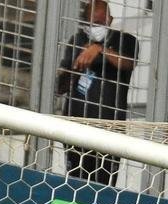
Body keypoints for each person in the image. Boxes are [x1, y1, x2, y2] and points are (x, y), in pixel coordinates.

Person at [57, 0, 137, 186]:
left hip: (110, 129)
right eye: (92, 23)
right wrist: (75, 66)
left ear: (110, 20)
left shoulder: (125, 40)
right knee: (76, 184)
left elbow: (127, 63)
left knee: (104, 186)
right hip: (76, 126)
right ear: (84, 22)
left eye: (101, 23)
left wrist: (99, 50)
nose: (97, 27)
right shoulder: (76, 40)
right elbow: (61, 87)